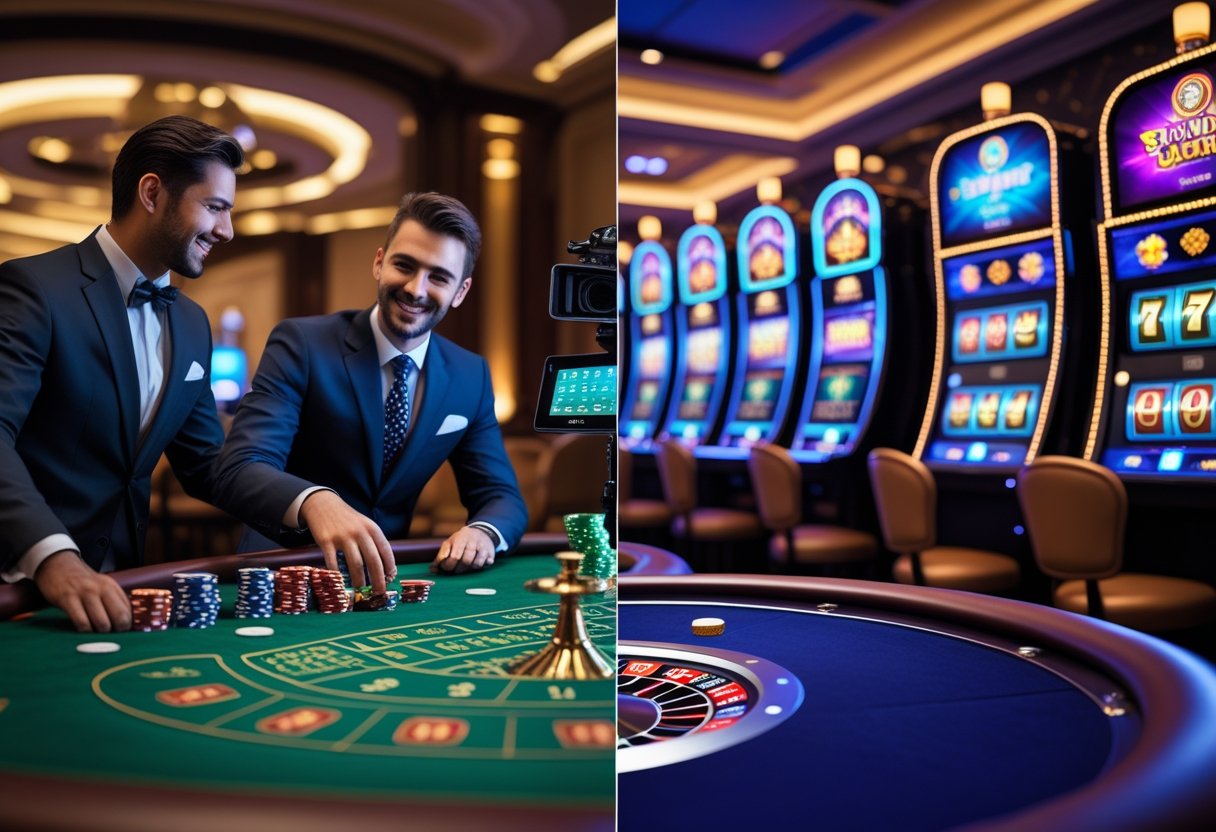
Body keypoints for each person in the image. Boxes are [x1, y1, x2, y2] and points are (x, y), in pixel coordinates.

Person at [0, 115, 243, 632]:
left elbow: (206, 465)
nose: (227, 230)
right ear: (152, 193)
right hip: (22, 593)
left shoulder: (192, 322)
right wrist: (53, 557)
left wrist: (309, 504)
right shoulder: (32, 288)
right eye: (215, 207)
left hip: (125, 593)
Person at [213, 191, 527, 590]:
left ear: (461, 291)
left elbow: (503, 497)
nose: (416, 288)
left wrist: (483, 532)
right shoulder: (302, 343)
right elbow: (239, 467)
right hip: (283, 573)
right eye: (404, 265)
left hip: (385, 585)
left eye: (439, 277)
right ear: (379, 263)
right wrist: (315, 501)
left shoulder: (471, 375)